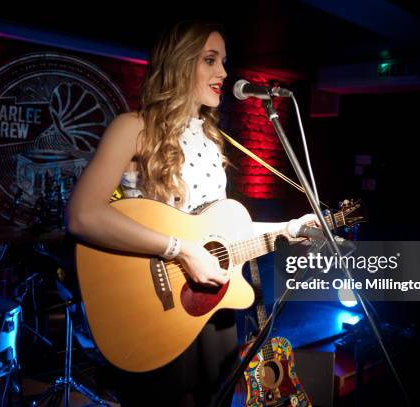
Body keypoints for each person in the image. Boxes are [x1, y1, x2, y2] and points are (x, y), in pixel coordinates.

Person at [66, 20, 316, 406]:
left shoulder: (214, 140)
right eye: (210, 60)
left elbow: (226, 230)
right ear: (180, 64)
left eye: (224, 61)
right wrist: (181, 250)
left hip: (213, 306)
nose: (224, 73)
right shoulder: (133, 128)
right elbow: (82, 215)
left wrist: (292, 225)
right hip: (155, 307)